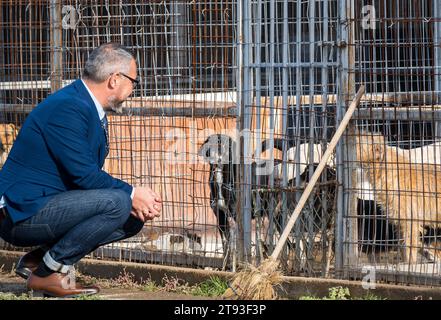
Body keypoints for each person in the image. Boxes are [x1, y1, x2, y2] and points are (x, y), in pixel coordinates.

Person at [0, 43, 162, 298]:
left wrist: (134, 199)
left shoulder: (86, 106)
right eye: (134, 82)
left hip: (47, 204)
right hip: (19, 213)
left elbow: (84, 177)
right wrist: (132, 193)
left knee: (132, 216)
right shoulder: (68, 106)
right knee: (119, 202)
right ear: (115, 79)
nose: (133, 89)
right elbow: (84, 175)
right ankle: (46, 276)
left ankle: (38, 262)